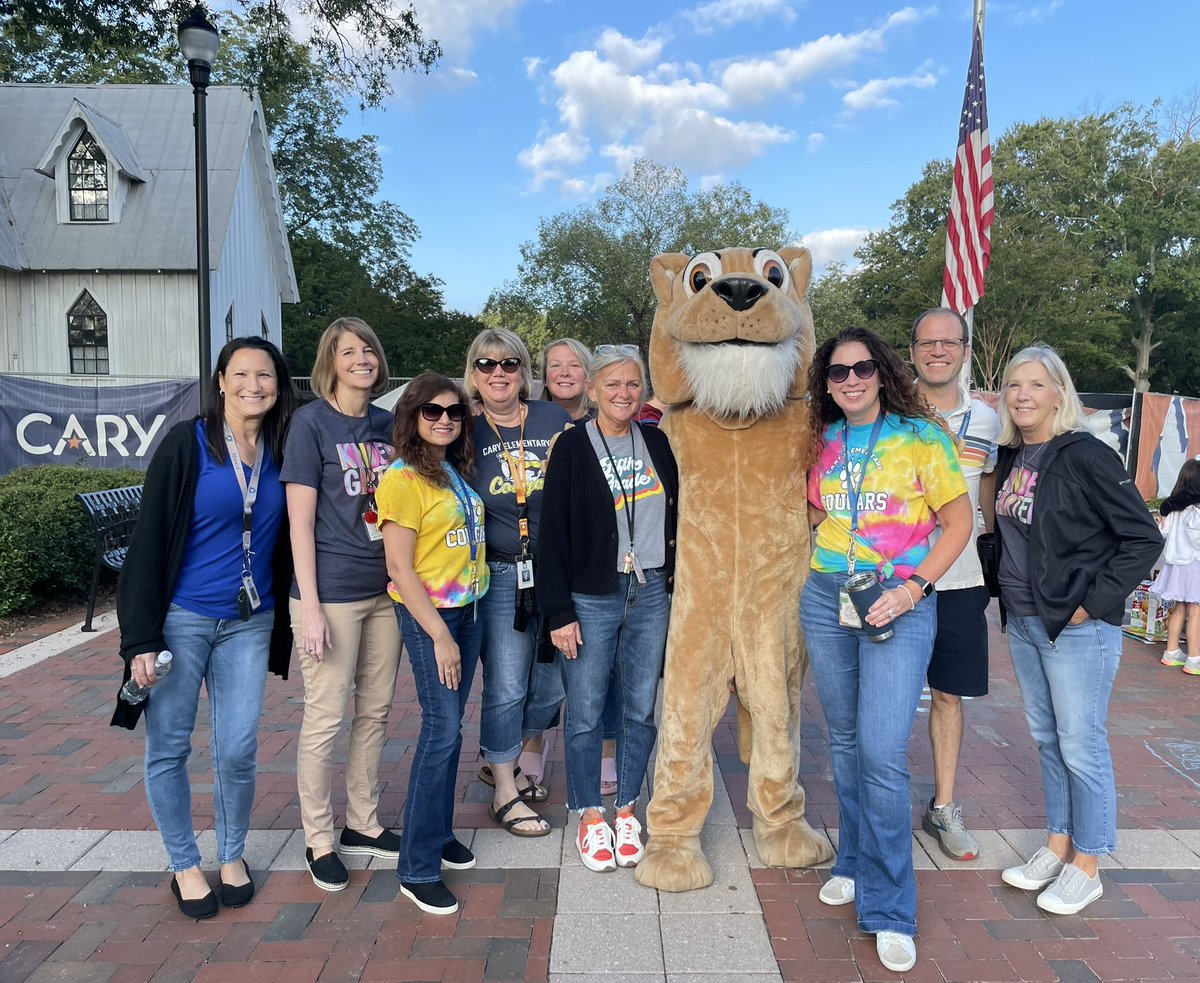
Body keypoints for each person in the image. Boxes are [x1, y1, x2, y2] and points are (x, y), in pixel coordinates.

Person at [799, 326, 972, 974]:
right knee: (844, 741)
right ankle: (852, 859)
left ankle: (892, 907)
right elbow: (813, 512)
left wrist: (912, 587)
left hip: (897, 600)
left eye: (862, 368)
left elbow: (959, 522)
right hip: (827, 596)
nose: (851, 380)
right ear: (826, 383)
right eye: (837, 372)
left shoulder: (920, 436)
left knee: (880, 753)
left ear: (883, 371)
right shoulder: (821, 440)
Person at [113, 337, 298, 919]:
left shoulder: (282, 446)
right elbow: (147, 542)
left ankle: (232, 853)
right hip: (181, 620)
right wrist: (140, 639)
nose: (253, 385)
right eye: (240, 374)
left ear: (279, 385)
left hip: (250, 621)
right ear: (220, 381)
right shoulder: (186, 443)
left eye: (264, 375)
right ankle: (184, 864)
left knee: (237, 747)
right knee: (170, 745)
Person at [994, 345, 1161, 915]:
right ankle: (1058, 844)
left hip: (1075, 629)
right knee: (1047, 739)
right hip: (1024, 621)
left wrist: (1092, 604)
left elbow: (1143, 537)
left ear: (1059, 394)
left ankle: (1088, 863)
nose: (1023, 395)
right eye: (1014, 384)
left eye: (1036, 384)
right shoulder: (1015, 455)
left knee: (1081, 745)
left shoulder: (1086, 455)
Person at [538, 347, 678, 872]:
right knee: (587, 709)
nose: (624, 393)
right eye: (613, 384)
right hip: (591, 596)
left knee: (640, 707)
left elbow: (677, 514)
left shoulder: (657, 442)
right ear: (592, 390)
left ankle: (627, 808)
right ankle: (590, 813)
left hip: (651, 592)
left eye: (633, 383)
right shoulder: (572, 447)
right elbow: (552, 533)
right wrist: (558, 612)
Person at [281, 317, 401, 892]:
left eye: (368, 350)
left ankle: (363, 822)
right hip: (329, 594)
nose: (362, 360)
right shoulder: (310, 424)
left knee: (375, 712)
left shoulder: (387, 424)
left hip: (386, 593)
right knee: (325, 717)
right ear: (330, 361)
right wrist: (309, 605)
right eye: (349, 351)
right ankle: (319, 839)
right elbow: (298, 524)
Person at [376, 373, 489, 914]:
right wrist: (440, 635)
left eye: (454, 412)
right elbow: (399, 568)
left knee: (452, 728)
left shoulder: (451, 470)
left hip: (469, 609)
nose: (445, 419)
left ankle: (439, 833)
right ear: (412, 416)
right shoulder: (402, 478)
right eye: (432, 411)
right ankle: (417, 868)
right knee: (440, 730)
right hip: (433, 618)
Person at [465, 328, 571, 835]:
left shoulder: (552, 419)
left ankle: (499, 756)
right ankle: (505, 789)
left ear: (524, 371)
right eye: (487, 364)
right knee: (507, 684)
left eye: (509, 363)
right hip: (502, 572)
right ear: (474, 374)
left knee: (553, 682)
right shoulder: (463, 429)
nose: (498, 373)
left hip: (556, 571)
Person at [909, 308, 1000, 861]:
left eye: (949, 342)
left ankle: (943, 806)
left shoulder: (986, 421)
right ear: (913, 351)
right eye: (928, 342)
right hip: (897, 579)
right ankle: (877, 807)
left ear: (965, 350)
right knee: (887, 700)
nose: (938, 351)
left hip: (961, 579)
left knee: (947, 695)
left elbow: (987, 493)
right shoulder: (891, 411)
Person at [538, 337, 618, 794]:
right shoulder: (528, 420)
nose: (565, 372)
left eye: (574, 365)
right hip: (535, 556)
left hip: (594, 567)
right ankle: (534, 744)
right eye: (556, 365)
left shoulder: (608, 421)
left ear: (589, 378)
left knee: (599, 669)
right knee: (540, 668)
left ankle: (605, 750)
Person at [1155, 459, 1200, 674]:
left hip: (1175, 565)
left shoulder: (1172, 507)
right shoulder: (1195, 509)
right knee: (1196, 611)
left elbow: (1162, 531)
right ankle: (1194, 659)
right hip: (1194, 564)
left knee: (1180, 608)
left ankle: (1171, 652)